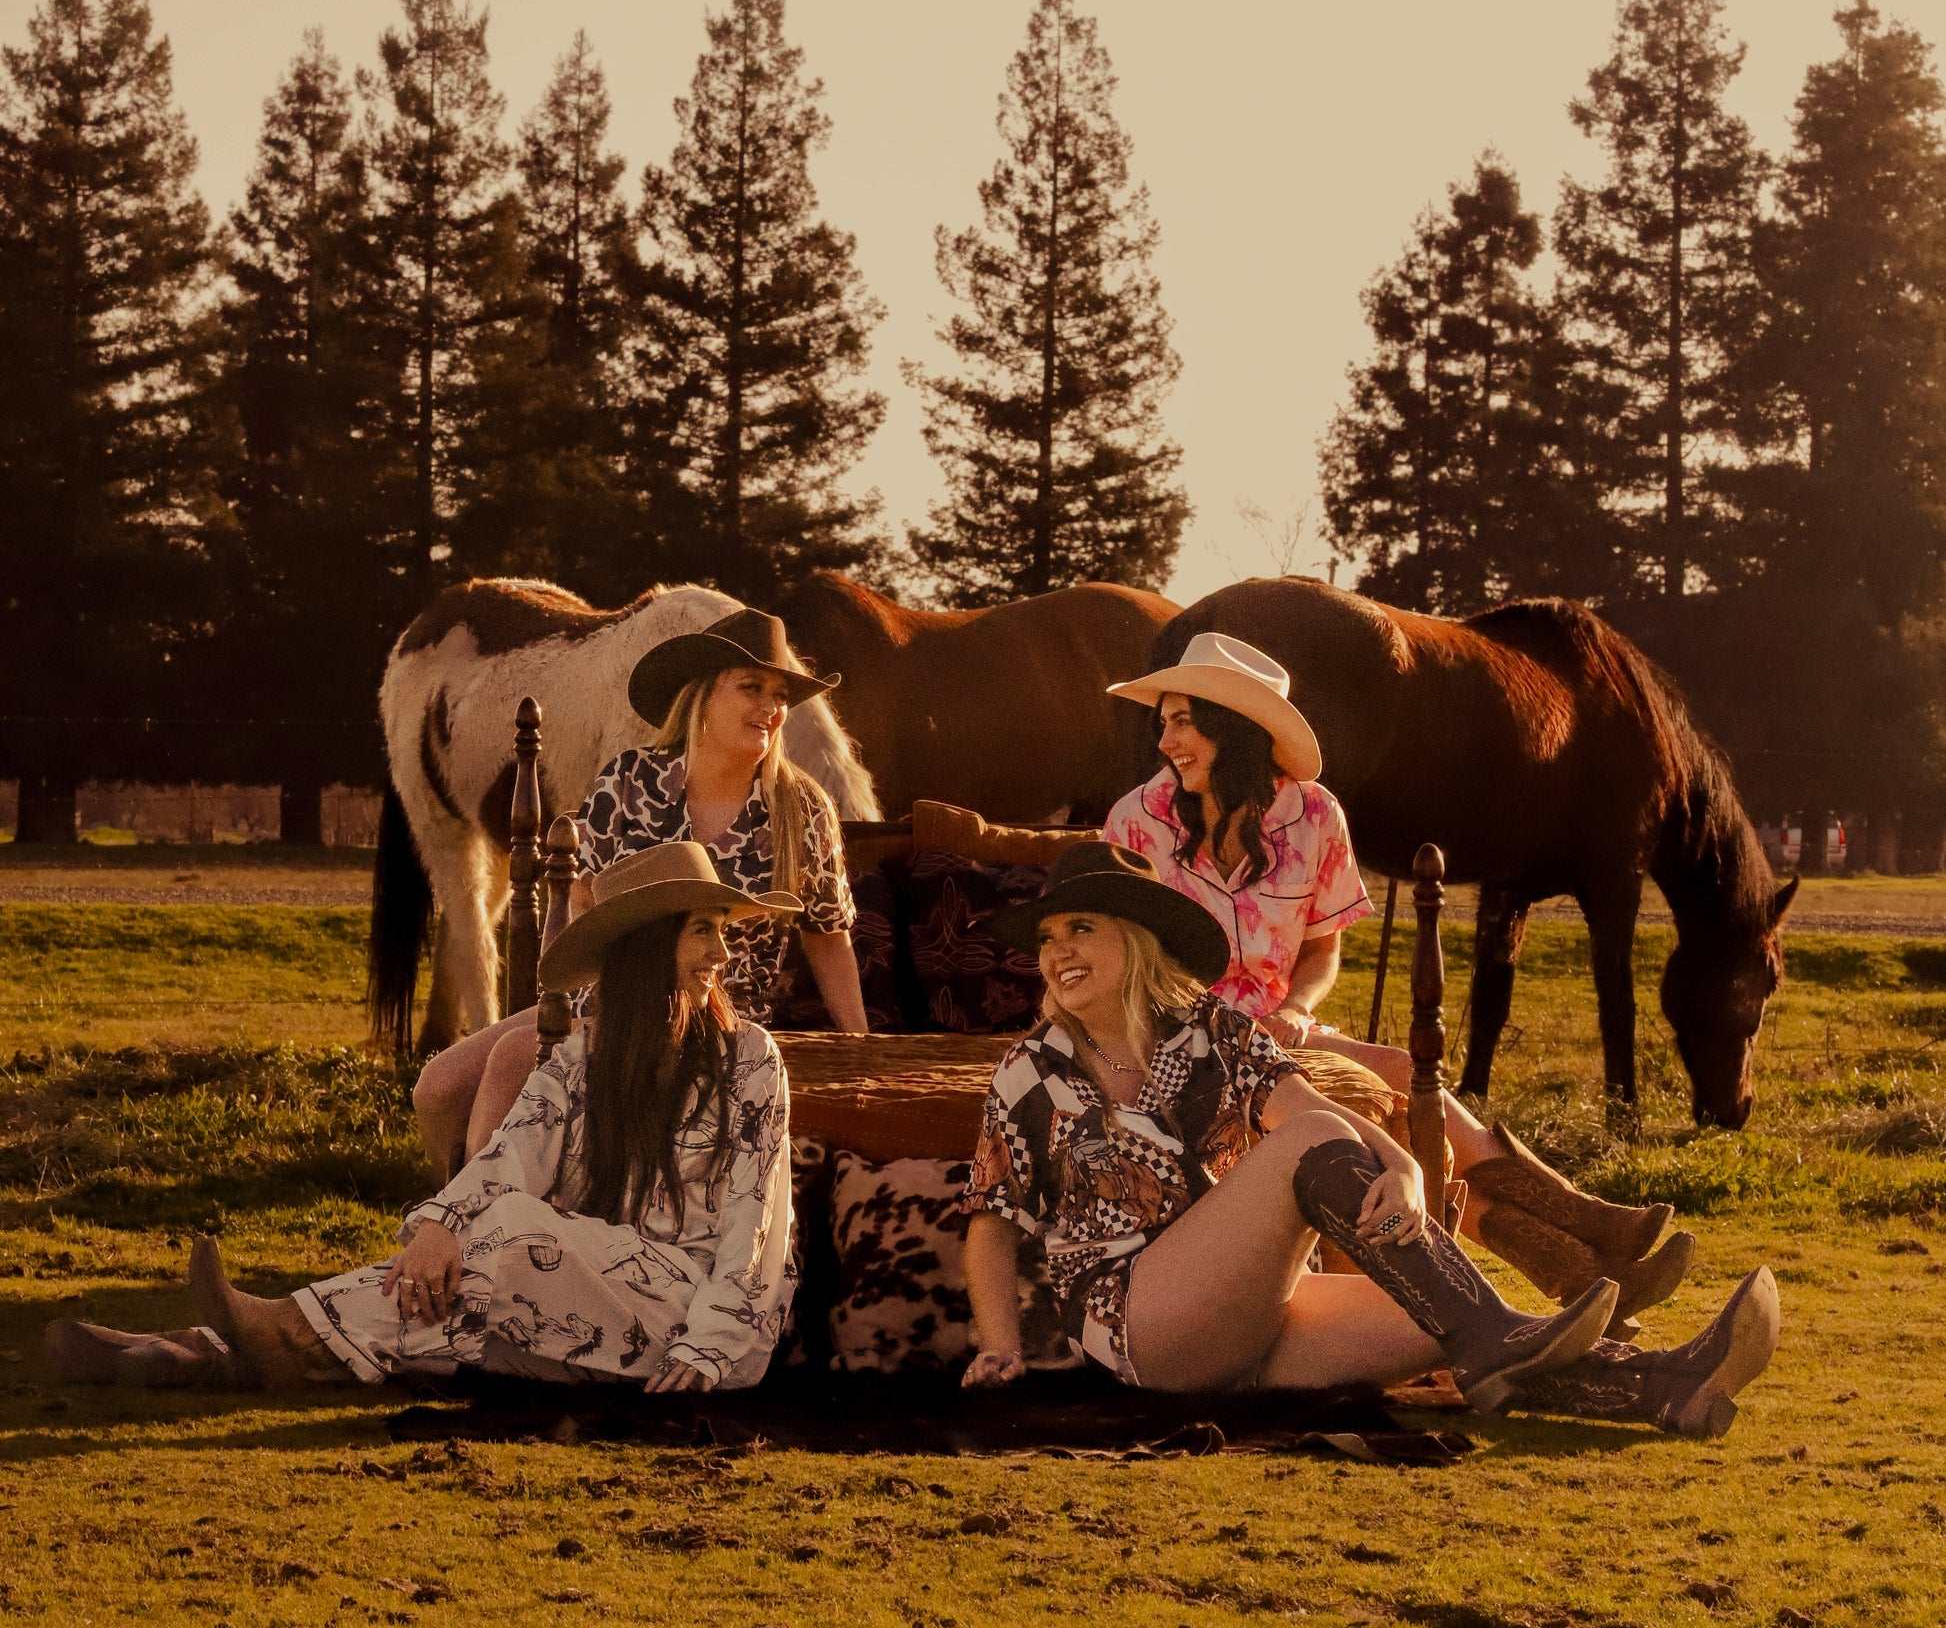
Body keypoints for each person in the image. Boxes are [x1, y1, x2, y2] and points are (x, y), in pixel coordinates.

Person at [960, 845, 1781, 1436]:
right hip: (1139, 1325)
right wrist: (999, 1349)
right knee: (1334, 1164)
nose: (1057, 951)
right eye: (1047, 938)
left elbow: (1304, 1101)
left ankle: (1667, 1385)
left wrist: (1405, 1170)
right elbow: (992, 1224)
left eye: (1079, 928)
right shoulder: (1030, 1072)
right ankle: (1500, 1337)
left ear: (1135, 936)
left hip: (1250, 1313)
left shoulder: (1211, 1027)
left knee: (1447, 1321)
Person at [48, 846, 800, 1399]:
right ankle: (203, 1354)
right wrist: (439, 1228)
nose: (721, 952)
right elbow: (513, 1153)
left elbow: (755, 1225)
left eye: (719, 930)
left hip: (697, 1324)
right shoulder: (585, 1059)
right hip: (584, 1310)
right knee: (448, 1305)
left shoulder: (749, 1061)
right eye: (701, 930)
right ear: (649, 948)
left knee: (511, 1236)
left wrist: (712, 1345)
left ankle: (263, 1334)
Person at [1100, 632, 1694, 1330]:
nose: (1165, 741)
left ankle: (1585, 1273)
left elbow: (1322, 951)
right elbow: (1115, 956)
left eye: (1181, 721)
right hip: (1181, 1040)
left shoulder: (1314, 816)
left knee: (1414, 1099)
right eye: (1162, 722)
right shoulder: (1135, 823)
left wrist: (1298, 1006)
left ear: (1231, 726)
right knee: (1405, 1081)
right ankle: (1589, 1239)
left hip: (1283, 1033)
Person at [413, 606, 868, 1176]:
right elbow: (584, 903)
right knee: (437, 1088)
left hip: (718, 1016)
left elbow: (828, 939)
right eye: (751, 687)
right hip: (610, 1001)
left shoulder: (801, 809)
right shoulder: (629, 780)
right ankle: (469, 1204)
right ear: (701, 696)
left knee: (510, 1061)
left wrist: (861, 1048)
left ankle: (484, 1215)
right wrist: (575, 1005)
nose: (772, 709)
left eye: (780, 695)